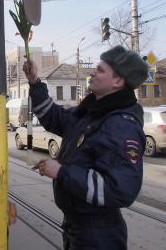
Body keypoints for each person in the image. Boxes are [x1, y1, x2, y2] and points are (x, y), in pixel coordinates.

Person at [22, 45, 148, 250]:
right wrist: (35, 82)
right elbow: (54, 117)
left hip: (98, 235)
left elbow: (119, 189)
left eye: (100, 70)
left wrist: (62, 172)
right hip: (77, 227)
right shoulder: (92, 112)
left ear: (118, 81)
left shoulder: (121, 125)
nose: (92, 72)